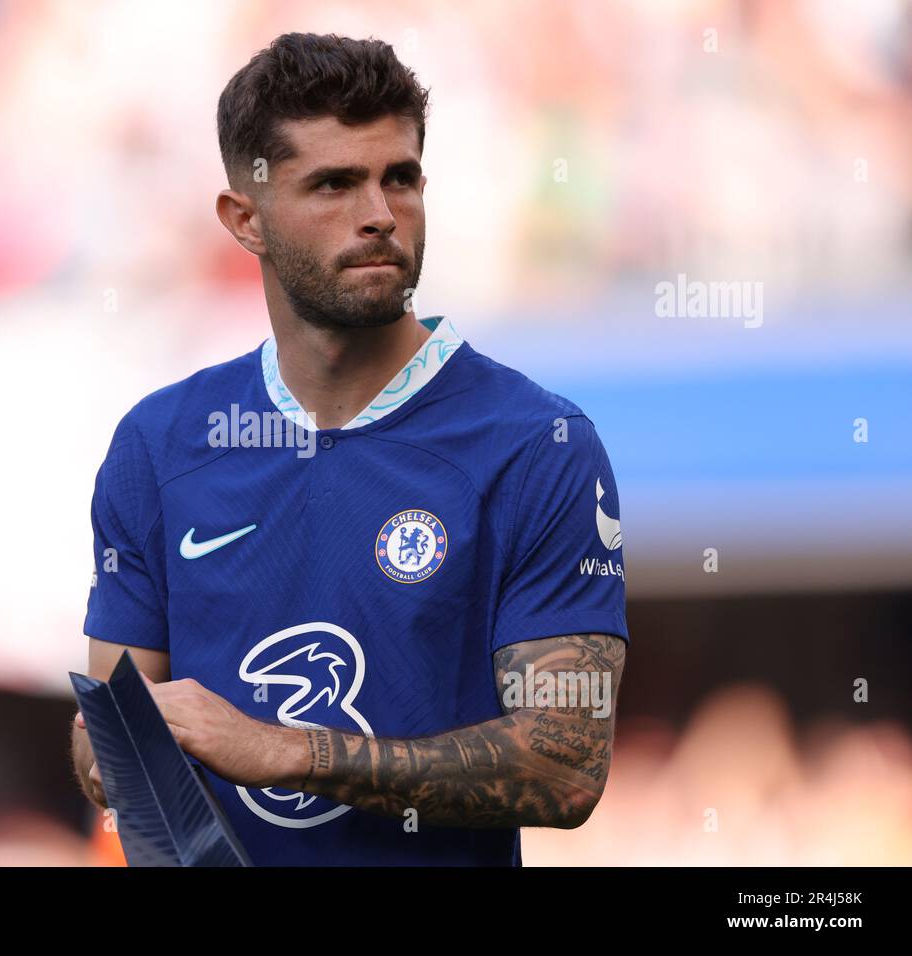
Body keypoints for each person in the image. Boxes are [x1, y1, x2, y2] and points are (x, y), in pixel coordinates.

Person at [71, 32, 628, 866]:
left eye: (399, 177)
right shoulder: (159, 446)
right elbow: (103, 749)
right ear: (245, 218)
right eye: (333, 183)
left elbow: (567, 765)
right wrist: (113, 749)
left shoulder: (536, 444)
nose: (378, 213)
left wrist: (287, 750)